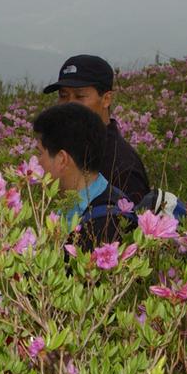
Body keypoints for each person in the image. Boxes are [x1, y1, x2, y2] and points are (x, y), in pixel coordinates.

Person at [43, 54, 150, 203]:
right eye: (63, 95)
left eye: (79, 96)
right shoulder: (71, 150)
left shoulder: (122, 165)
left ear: (106, 99)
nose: (68, 104)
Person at [32, 102, 136, 249]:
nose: (36, 162)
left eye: (40, 153)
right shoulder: (102, 201)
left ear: (62, 159)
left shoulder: (103, 225)